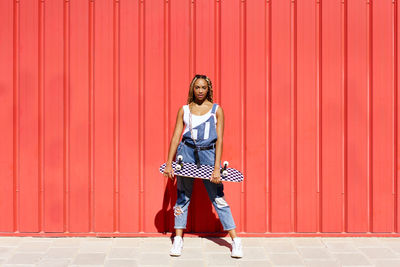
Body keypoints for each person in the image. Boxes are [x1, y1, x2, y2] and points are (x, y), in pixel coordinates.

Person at [163, 74, 243, 258]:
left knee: (218, 198)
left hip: (208, 154)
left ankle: (236, 240)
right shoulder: (184, 110)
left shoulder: (216, 110)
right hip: (186, 153)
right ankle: (178, 239)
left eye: (203, 88)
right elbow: (176, 136)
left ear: (208, 90)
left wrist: (216, 167)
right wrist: (170, 162)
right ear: (192, 88)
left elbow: (220, 139)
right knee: (182, 196)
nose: (200, 91)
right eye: (197, 87)